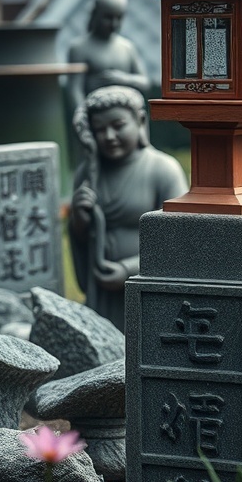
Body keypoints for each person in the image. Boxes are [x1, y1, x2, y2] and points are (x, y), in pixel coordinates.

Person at [69, 86, 188, 332]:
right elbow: (81, 237)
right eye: (99, 130)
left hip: (146, 287)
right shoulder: (88, 173)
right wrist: (79, 219)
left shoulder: (162, 169)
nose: (109, 136)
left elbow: (178, 237)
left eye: (118, 125)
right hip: (101, 290)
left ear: (141, 121)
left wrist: (129, 270)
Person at [66, 0, 150, 118]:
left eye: (119, 18)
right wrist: (82, 118)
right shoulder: (79, 48)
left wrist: (123, 79)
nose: (114, 24)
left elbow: (145, 82)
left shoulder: (127, 47)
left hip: (127, 118)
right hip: (96, 117)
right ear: (95, 14)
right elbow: (75, 90)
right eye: (108, 17)